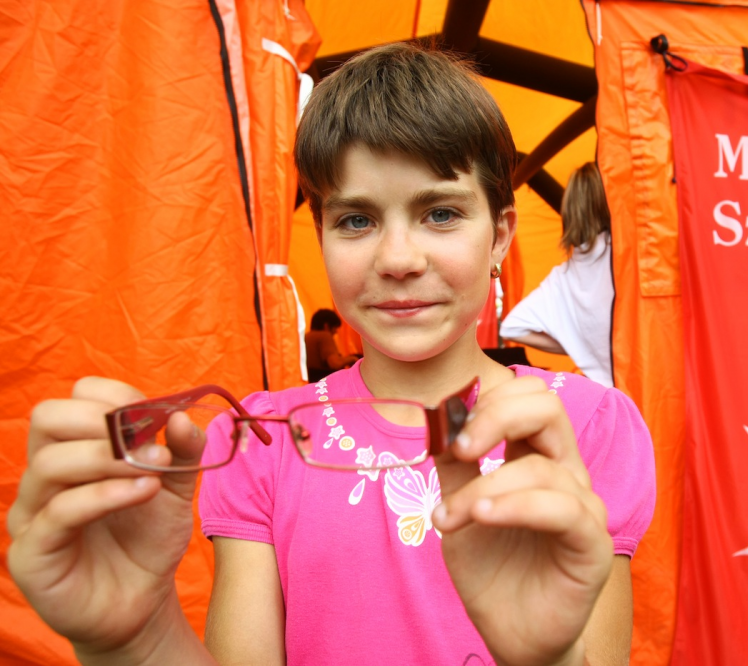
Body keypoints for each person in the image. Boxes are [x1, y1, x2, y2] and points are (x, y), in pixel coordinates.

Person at [8, 44, 655, 665]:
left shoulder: (585, 428)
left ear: (501, 235)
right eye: (356, 221)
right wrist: (137, 640)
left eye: (440, 214)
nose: (398, 259)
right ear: (318, 234)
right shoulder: (262, 439)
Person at [500, 162, 615, 387]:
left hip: (604, 390)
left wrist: (580, 348)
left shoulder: (562, 277)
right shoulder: (628, 256)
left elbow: (512, 327)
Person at [304, 308, 358, 382]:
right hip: (325, 382)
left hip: (311, 382)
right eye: (335, 328)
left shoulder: (306, 336)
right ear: (326, 326)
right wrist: (353, 358)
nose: (335, 332)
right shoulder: (324, 336)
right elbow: (335, 364)